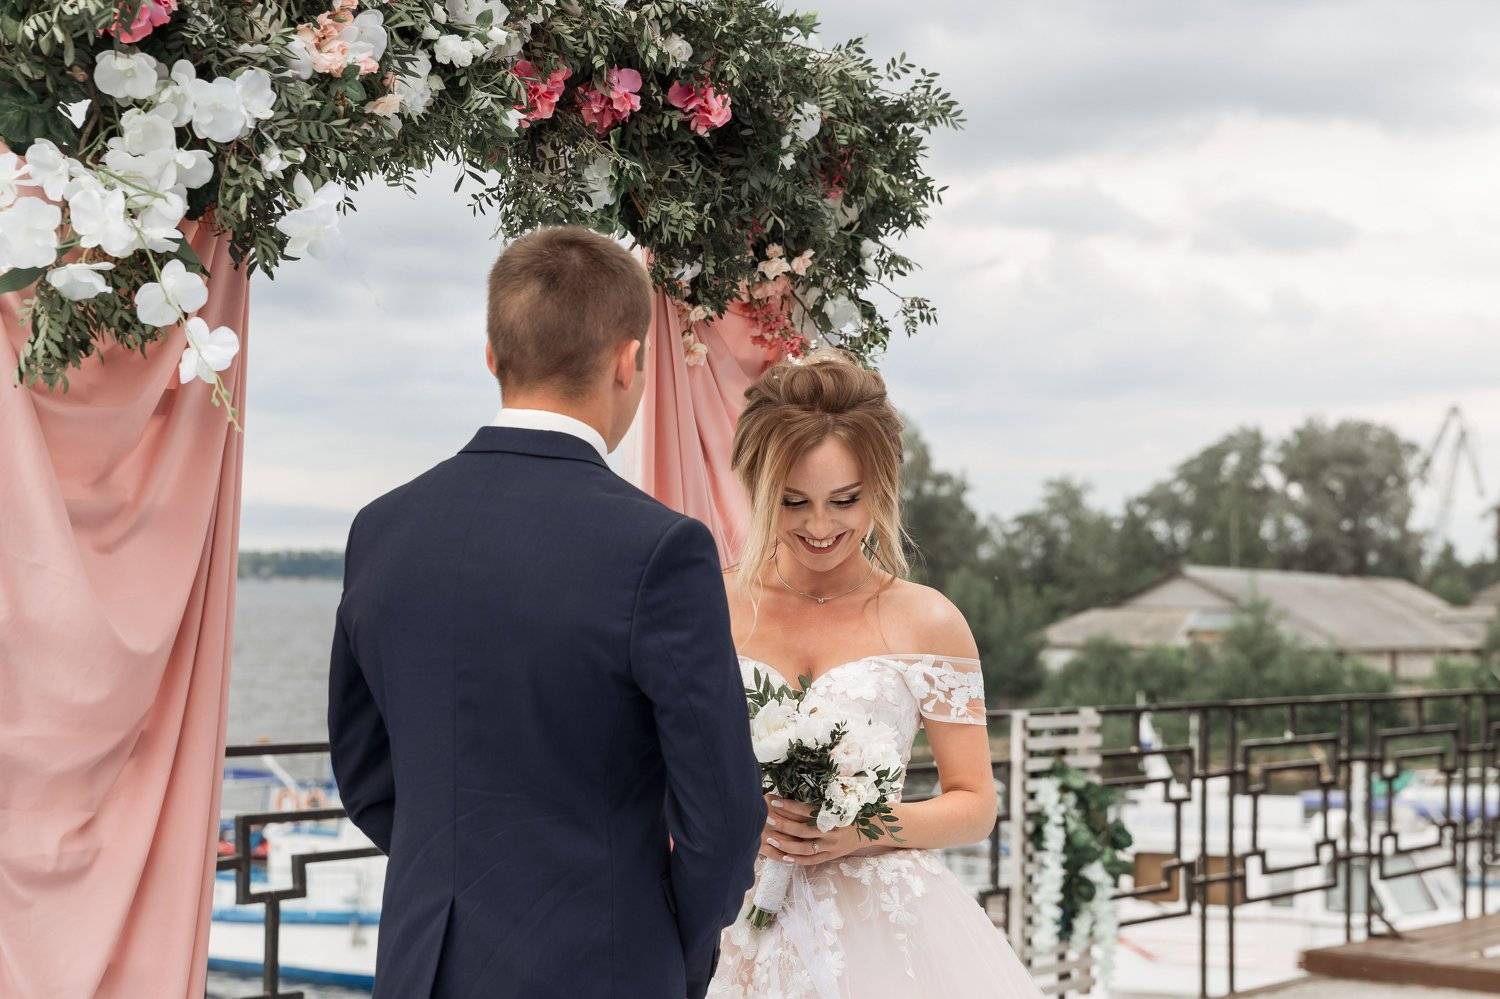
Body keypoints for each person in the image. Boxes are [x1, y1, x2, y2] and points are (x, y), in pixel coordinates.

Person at [327, 225, 766, 999]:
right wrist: (668, 950)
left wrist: (463, 880)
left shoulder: (381, 529)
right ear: (628, 360)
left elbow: (364, 773)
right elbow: (724, 819)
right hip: (602, 967)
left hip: (423, 965)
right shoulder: (661, 549)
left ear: (492, 355)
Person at [708, 351, 1045, 998]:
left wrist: (862, 828)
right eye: (793, 501)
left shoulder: (929, 621)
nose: (819, 525)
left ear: (881, 487)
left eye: (845, 500)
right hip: (725, 912)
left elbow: (975, 804)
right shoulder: (707, 607)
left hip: (883, 936)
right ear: (756, 486)